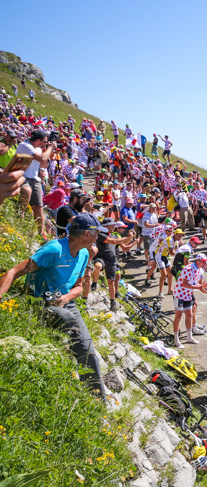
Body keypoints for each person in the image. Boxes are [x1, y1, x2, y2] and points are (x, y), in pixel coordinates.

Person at [0, 213, 103, 393]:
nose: (98, 237)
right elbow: (13, 272)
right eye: (96, 233)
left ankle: (95, 397)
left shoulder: (84, 254)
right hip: (41, 302)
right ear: (87, 234)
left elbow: (78, 287)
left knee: (88, 347)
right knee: (68, 319)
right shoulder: (54, 250)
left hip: (65, 302)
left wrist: (67, 297)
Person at [90, 218, 136, 311]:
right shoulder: (101, 234)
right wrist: (128, 238)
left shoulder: (114, 235)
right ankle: (94, 283)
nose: (113, 227)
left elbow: (124, 242)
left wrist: (130, 237)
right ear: (106, 227)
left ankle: (112, 301)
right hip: (101, 258)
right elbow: (113, 242)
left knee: (111, 282)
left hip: (111, 260)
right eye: (112, 225)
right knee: (98, 266)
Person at [171, 253, 207, 348]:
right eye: (203, 262)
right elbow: (185, 284)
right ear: (198, 261)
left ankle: (189, 337)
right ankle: (176, 339)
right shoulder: (188, 269)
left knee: (189, 314)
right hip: (179, 294)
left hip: (188, 294)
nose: (205, 264)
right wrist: (200, 287)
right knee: (178, 316)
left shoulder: (199, 270)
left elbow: (200, 285)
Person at [17, 129, 55, 237]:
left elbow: (44, 165)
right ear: (38, 141)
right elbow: (42, 158)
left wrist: (48, 152)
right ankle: (19, 218)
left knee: (39, 207)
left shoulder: (38, 148)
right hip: (23, 176)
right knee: (26, 191)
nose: (46, 144)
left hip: (34, 178)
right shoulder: (25, 145)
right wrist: (50, 148)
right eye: (44, 141)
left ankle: (40, 233)